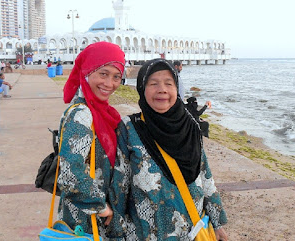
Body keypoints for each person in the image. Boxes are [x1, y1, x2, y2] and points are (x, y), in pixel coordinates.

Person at [111, 58, 228, 240]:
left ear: (176, 89)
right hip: (146, 234)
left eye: (168, 83)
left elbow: (205, 175)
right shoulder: (129, 128)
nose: (162, 89)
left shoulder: (191, 127)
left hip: (192, 232)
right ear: (142, 88)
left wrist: (218, 223)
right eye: (153, 83)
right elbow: (119, 186)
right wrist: (116, 233)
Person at [57, 41, 126, 239]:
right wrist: (102, 207)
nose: (109, 84)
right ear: (87, 72)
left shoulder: (103, 112)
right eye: (103, 74)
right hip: (85, 221)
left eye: (116, 77)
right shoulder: (82, 114)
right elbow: (70, 175)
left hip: (96, 217)